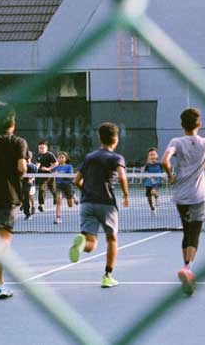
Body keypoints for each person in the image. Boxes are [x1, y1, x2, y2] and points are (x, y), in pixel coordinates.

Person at [161, 108, 205, 295]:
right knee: (195, 233)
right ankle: (187, 268)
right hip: (197, 195)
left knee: (186, 230)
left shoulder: (175, 142)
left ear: (181, 125)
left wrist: (170, 175)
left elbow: (165, 160)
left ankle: (186, 267)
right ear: (199, 124)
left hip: (180, 195)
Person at [69, 122, 130, 289]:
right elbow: (122, 177)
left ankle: (81, 245)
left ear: (99, 138)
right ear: (115, 139)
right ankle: (108, 276)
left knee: (91, 244)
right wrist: (125, 195)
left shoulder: (89, 157)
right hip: (107, 204)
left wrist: (86, 190)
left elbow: (76, 181)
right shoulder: (117, 158)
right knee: (111, 239)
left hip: (87, 203)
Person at [0, 107, 28, 299]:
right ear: (12, 124)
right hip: (8, 197)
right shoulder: (19, 142)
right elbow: (21, 167)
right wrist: (20, 172)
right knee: (2, 242)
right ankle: (0, 286)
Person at [53, 151, 75, 224]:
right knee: (58, 199)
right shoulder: (56, 168)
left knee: (70, 205)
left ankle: (73, 195)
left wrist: (60, 174)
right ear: (57, 159)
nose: (61, 159)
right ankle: (58, 218)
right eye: (59, 157)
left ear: (65, 159)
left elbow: (70, 177)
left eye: (62, 157)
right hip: (59, 186)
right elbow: (54, 178)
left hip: (68, 186)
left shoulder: (69, 166)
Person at [35, 141, 57, 213]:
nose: (41, 149)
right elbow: (38, 164)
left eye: (42, 148)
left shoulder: (50, 154)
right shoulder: (38, 155)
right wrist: (35, 170)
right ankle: (41, 205)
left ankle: (56, 198)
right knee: (41, 189)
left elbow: (56, 163)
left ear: (46, 148)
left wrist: (48, 169)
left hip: (50, 175)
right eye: (39, 148)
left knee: (53, 189)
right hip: (42, 176)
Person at [143, 148, 163, 213]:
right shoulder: (147, 165)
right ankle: (152, 208)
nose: (152, 156)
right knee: (149, 197)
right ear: (148, 156)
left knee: (153, 191)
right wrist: (151, 179)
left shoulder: (160, 164)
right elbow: (146, 173)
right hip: (148, 182)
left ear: (157, 155)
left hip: (157, 181)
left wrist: (162, 177)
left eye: (154, 154)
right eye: (150, 155)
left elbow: (163, 172)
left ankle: (157, 199)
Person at [22, 151, 37, 220]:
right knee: (25, 197)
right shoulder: (22, 165)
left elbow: (34, 176)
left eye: (27, 157)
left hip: (31, 184)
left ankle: (33, 206)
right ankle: (26, 211)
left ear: (30, 158)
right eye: (25, 157)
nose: (26, 158)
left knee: (30, 196)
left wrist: (30, 180)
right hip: (23, 184)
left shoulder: (33, 166)